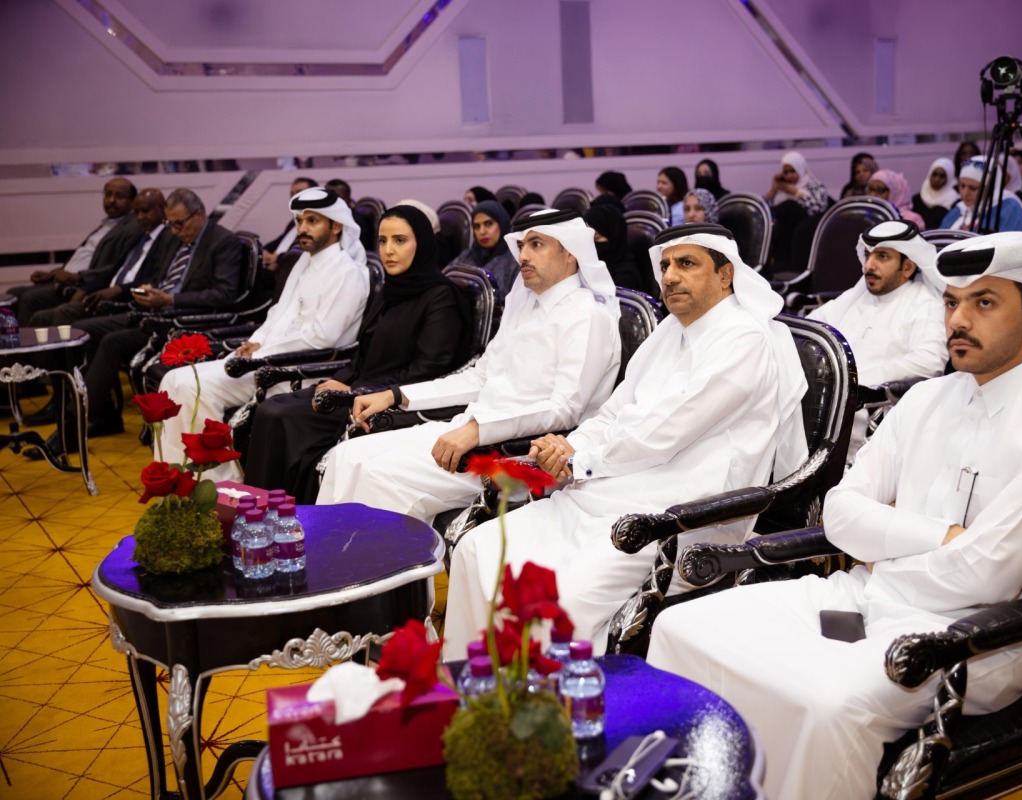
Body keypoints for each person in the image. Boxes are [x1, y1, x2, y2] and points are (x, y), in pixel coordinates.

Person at [647, 231, 1022, 799]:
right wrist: (945, 537)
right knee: (682, 627)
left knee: (825, 701)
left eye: (983, 303)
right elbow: (841, 512)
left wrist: (888, 544)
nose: (958, 320)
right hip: (865, 601)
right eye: (951, 302)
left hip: (985, 637)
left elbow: (987, 578)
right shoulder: (926, 399)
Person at [443, 222, 808, 657]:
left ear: (725, 274)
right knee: (477, 549)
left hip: (679, 514)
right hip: (605, 490)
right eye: (666, 265)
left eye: (687, 264)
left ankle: (552, 716)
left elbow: (664, 434)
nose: (670, 275)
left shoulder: (744, 340)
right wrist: (568, 446)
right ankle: (476, 690)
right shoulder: (670, 331)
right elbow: (615, 412)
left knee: (559, 598)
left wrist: (580, 461)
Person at [316, 209, 622, 522]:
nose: (523, 257)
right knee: (345, 457)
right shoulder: (527, 304)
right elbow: (479, 378)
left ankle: (383, 569)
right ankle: (322, 562)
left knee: (376, 475)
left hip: (517, 454)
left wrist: (478, 431)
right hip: (471, 428)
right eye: (521, 247)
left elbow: (565, 409)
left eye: (537, 245)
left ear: (570, 252)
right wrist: (397, 395)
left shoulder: (588, 316)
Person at [243, 205, 472, 503]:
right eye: (383, 241)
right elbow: (362, 353)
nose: (388, 250)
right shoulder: (392, 289)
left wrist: (355, 390)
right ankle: (261, 514)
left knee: (280, 415)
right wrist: (339, 380)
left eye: (400, 241)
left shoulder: (441, 297)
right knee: (271, 407)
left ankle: (287, 517)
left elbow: (428, 372)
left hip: (386, 400)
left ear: (423, 243)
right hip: (357, 389)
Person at [157, 187, 370, 481]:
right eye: (299, 221)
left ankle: (221, 485)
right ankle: (178, 477)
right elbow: (277, 315)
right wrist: (253, 342)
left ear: (335, 226)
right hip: (263, 359)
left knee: (192, 388)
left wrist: (261, 354)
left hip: (296, 370)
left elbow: (322, 338)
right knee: (173, 379)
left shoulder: (348, 272)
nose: (302, 229)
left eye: (312, 221)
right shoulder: (305, 263)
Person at [51, 189, 242, 447]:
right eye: (169, 223)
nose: (174, 230)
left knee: (112, 342)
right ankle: (100, 413)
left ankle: (71, 430)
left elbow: (223, 294)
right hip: (152, 310)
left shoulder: (222, 242)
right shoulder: (174, 239)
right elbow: (160, 278)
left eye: (179, 223)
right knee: (81, 331)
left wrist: (169, 300)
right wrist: (149, 291)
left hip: (181, 320)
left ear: (198, 215)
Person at [807, 220, 947, 462]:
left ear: (908, 267)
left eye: (882, 257)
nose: (869, 265)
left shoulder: (925, 305)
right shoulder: (857, 295)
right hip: (820, 400)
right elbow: (812, 327)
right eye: (868, 255)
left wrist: (860, 379)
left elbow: (929, 362)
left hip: (872, 417)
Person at [29, 189, 168, 326]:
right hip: (108, 295)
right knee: (41, 318)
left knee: (65, 312)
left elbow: (157, 278)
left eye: (145, 211)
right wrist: (85, 289)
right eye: (136, 212)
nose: (140, 217)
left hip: (129, 299)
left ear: (163, 210)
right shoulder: (140, 236)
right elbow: (113, 270)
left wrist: (119, 289)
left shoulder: (167, 239)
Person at [12, 177, 141, 325]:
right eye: (108, 194)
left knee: (30, 298)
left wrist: (76, 277)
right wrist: (54, 273)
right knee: (14, 294)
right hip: (65, 279)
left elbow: (117, 266)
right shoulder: (107, 224)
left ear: (133, 201)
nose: (111, 200)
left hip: (82, 284)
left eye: (119, 196)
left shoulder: (132, 227)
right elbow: (83, 256)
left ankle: (24, 346)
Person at [943, 156, 1022, 233]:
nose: (965, 193)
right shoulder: (959, 209)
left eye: (973, 188)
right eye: (962, 186)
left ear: (990, 188)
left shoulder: (1008, 209)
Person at [450, 200, 520, 296]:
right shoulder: (466, 256)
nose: (482, 232)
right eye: (476, 226)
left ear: (502, 223)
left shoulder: (515, 261)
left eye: (488, 224)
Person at [583, 196, 649, 293]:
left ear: (614, 237)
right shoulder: (587, 267)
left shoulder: (626, 278)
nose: (591, 244)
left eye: (596, 238)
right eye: (587, 238)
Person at [262, 176, 318, 270]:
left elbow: (304, 253)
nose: (293, 198)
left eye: (299, 193)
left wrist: (277, 259)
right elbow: (279, 241)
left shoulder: (318, 224)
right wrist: (263, 251)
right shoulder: (294, 222)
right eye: (291, 194)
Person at [765, 150, 829, 215]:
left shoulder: (815, 185)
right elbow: (764, 209)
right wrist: (774, 189)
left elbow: (818, 209)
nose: (789, 176)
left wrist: (796, 192)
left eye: (792, 171)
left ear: (800, 168)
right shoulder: (782, 188)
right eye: (785, 172)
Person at [911, 157, 958, 229]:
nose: (937, 179)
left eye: (942, 176)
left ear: (949, 178)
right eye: (934, 174)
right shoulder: (916, 199)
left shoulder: (955, 202)